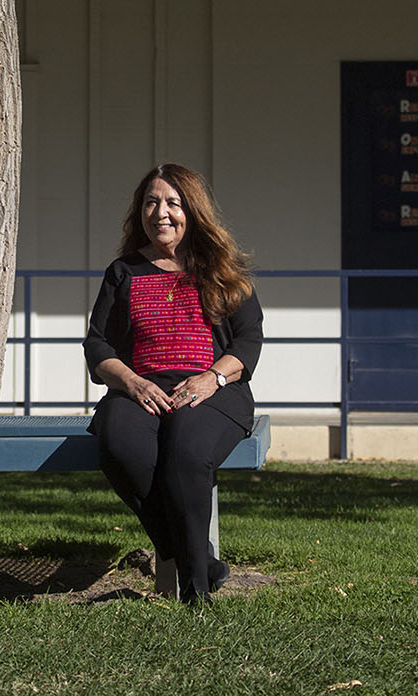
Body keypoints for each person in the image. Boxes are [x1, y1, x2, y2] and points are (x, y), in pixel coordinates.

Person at [84, 162, 264, 606]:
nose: (160, 212)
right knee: (118, 441)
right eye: (150, 202)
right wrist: (131, 382)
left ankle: (196, 592)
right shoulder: (122, 271)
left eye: (172, 202)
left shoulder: (221, 268)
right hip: (140, 390)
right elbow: (98, 343)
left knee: (185, 451)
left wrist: (212, 377)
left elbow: (249, 338)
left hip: (213, 391)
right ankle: (200, 559)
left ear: (192, 211)